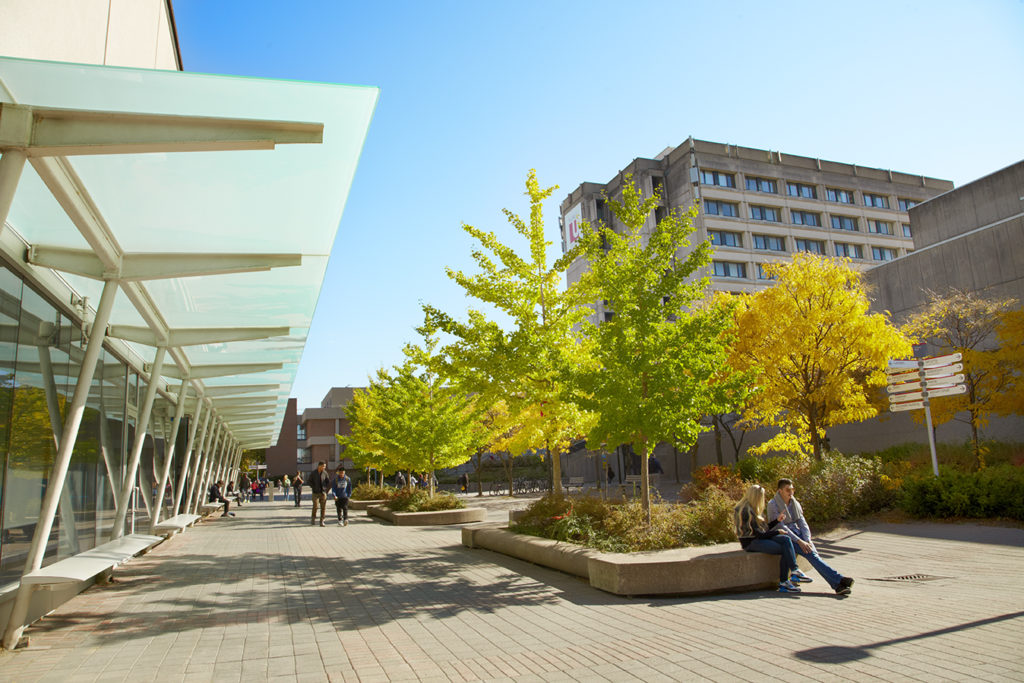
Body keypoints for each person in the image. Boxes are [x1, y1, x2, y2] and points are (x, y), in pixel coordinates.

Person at [766, 478, 854, 596]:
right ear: (780, 491)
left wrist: (807, 540)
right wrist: (800, 541)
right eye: (788, 490)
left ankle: (838, 584)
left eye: (792, 489)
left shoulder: (794, 503)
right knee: (812, 555)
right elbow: (780, 527)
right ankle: (838, 582)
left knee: (813, 554)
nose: (791, 492)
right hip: (783, 535)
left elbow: (802, 523)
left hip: (797, 533)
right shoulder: (773, 505)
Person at [733, 484, 801, 593]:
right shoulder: (746, 511)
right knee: (785, 548)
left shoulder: (752, 508)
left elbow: (763, 530)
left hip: (758, 538)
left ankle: (794, 571)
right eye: (762, 496)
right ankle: (785, 580)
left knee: (786, 540)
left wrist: (777, 521)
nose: (763, 499)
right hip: (751, 542)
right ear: (756, 496)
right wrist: (777, 531)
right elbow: (759, 534)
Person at [308, 461, 331, 526]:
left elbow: (328, 481)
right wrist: (313, 487)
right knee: (315, 506)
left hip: (323, 493)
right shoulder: (313, 473)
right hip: (315, 493)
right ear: (319, 466)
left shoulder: (325, 473)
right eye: (323, 466)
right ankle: (313, 518)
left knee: (323, 507)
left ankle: (322, 521)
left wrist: (326, 489)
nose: (324, 467)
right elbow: (309, 481)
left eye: (325, 466)